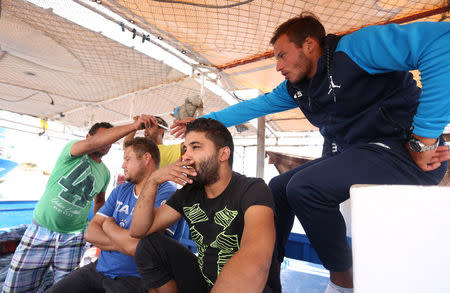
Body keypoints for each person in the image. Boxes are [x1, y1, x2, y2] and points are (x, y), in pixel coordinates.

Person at [171, 14, 450, 292]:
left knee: (305, 188)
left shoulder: (355, 49)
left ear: (308, 44)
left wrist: (422, 140)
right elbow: (254, 107)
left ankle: (343, 282)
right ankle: (269, 275)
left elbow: (441, 41)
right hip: (357, 155)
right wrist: (198, 122)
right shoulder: (296, 88)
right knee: (278, 187)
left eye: (282, 55)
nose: (278, 66)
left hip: (403, 153)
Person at [2, 115, 155, 293]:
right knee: (16, 286)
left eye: (109, 140)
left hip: (73, 238)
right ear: (89, 138)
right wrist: (134, 126)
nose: (106, 143)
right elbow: (95, 143)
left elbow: (99, 202)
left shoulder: (104, 173)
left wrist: (101, 231)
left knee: (65, 287)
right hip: (41, 230)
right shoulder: (72, 152)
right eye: (103, 138)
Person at [129, 118, 281, 293]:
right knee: (149, 246)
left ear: (223, 154)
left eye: (196, 147)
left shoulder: (253, 189)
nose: (186, 156)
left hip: (250, 287)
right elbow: (138, 230)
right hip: (204, 283)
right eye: (185, 148)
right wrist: (153, 180)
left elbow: (255, 258)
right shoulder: (189, 192)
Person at [46, 137, 178, 293]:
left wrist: (109, 227)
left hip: (135, 277)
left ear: (146, 158)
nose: (123, 165)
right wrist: (125, 243)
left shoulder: (167, 192)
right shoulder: (121, 190)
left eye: (128, 159)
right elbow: (91, 232)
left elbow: (138, 247)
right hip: (99, 268)